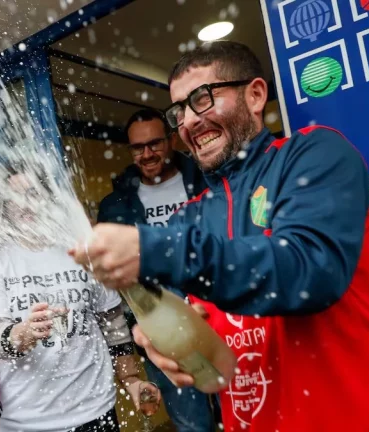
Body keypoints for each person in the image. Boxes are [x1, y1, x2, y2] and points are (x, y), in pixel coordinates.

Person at [71, 41, 369, 431]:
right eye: (179, 111)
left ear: (255, 95)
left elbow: (309, 270)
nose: (189, 121)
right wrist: (158, 341)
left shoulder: (313, 154)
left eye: (203, 98)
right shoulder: (191, 216)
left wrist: (154, 248)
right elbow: (198, 325)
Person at [0, 163, 160, 432]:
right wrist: (24, 332)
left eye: (33, 194)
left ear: (48, 198)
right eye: (14, 197)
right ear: (4, 205)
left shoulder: (79, 247)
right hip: (29, 420)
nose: (24, 204)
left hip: (96, 408)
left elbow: (112, 322)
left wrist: (131, 379)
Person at [97, 108, 217, 431]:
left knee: (244, 412)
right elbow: (115, 277)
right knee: (192, 425)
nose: (147, 154)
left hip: (219, 320)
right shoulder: (114, 207)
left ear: (171, 140)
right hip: (163, 333)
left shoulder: (207, 181)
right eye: (138, 148)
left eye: (154, 144)